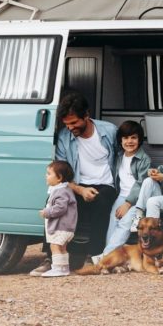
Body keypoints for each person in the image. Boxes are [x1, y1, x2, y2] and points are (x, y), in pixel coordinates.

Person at [53, 90, 118, 265]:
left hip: (105, 184)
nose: (70, 128)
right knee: (55, 201)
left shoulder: (109, 131)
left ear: (87, 115)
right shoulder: (64, 137)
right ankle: (52, 257)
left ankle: (94, 255)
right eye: (66, 124)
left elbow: (123, 159)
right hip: (77, 184)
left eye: (74, 123)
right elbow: (61, 173)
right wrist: (80, 189)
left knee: (101, 201)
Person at [90, 119, 151, 264]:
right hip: (121, 196)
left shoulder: (144, 160)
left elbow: (141, 183)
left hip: (137, 199)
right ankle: (110, 253)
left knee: (124, 225)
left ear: (140, 139)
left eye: (133, 137)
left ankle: (106, 257)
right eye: (125, 137)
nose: (129, 141)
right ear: (120, 140)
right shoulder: (119, 157)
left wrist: (128, 204)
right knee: (113, 221)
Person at [30, 160, 77, 277]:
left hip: (61, 227)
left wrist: (47, 212)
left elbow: (60, 208)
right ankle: (64, 268)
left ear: (59, 177)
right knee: (62, 247)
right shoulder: (62, 189)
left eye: (49, 173)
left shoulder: (61, 191)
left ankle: (57, 268)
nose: (46, 176)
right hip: (66, 227)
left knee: (54, 246)